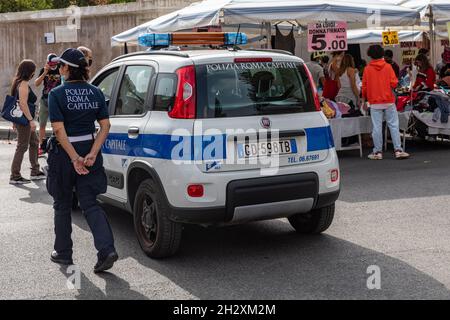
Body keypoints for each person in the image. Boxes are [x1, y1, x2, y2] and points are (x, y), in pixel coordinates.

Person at [47, 48, 118, 272]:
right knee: (90, 203)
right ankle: (106, 250)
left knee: (62, 203)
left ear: (67, 68)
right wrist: (92, 153)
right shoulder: (96, 92)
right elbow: (105, 126)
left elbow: (58, 130)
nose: (59, 69)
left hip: (65, 154)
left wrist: (74, 157)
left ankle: (64, 253)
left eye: (61, 65)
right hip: (89, 149)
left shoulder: (57, 94)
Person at [362, 45, 410, 160]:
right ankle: (398, 150)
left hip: (374, 102)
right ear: (382, 54)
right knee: (393, 125)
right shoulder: (388, 67)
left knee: (377, 127)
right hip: (388, 100)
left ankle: (377, 152)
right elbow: (394, 84)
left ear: (370, 55)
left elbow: (364, 87)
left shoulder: (367, 69)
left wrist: (364, 99)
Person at [9, 60, 46, 184]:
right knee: (22, 146)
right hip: (25, 120)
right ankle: (15, 175)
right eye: (33, 71)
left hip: (21, 119)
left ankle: (35, 171)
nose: (34, 74)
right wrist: (31, 121)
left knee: (34, 142)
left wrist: (14, 121)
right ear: (29, 72)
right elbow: (23, 104)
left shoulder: (17, 82)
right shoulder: (23, 84)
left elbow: (15, 103)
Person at [35, 54, 62, 155]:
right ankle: (42, 146)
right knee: (42, 124)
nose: (52, 66)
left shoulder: (60, 69)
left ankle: (56, 144)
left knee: (56, 124)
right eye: (50, 64)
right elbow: (36, 83)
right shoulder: (44, 70)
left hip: (56, 100)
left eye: (54, 64)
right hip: (45, 100)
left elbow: (65, 81)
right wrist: (45, 72)